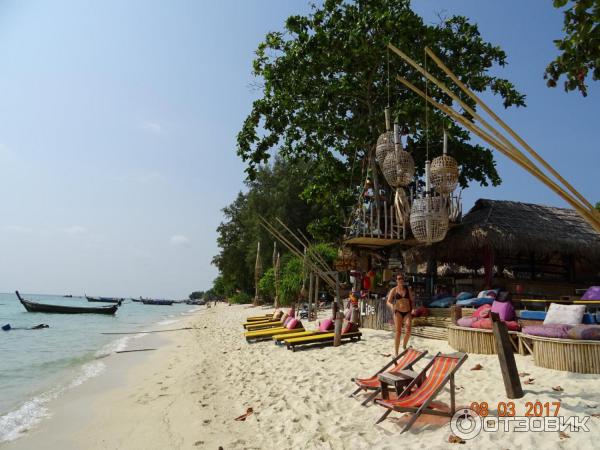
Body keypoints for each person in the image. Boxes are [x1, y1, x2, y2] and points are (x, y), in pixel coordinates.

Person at [386, 272, 414, 355]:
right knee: (398, 332)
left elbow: (411, 300)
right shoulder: (394, 290)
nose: (400, 280)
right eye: (399, 279)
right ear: (396, 280)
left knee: (408, 329)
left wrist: (413, 308)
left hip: (407, 311)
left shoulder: (407, 289)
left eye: (402, 278)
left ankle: (404, 345)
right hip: (398, 312)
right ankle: (396, 353)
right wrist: (391, 306)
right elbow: (388, 301)